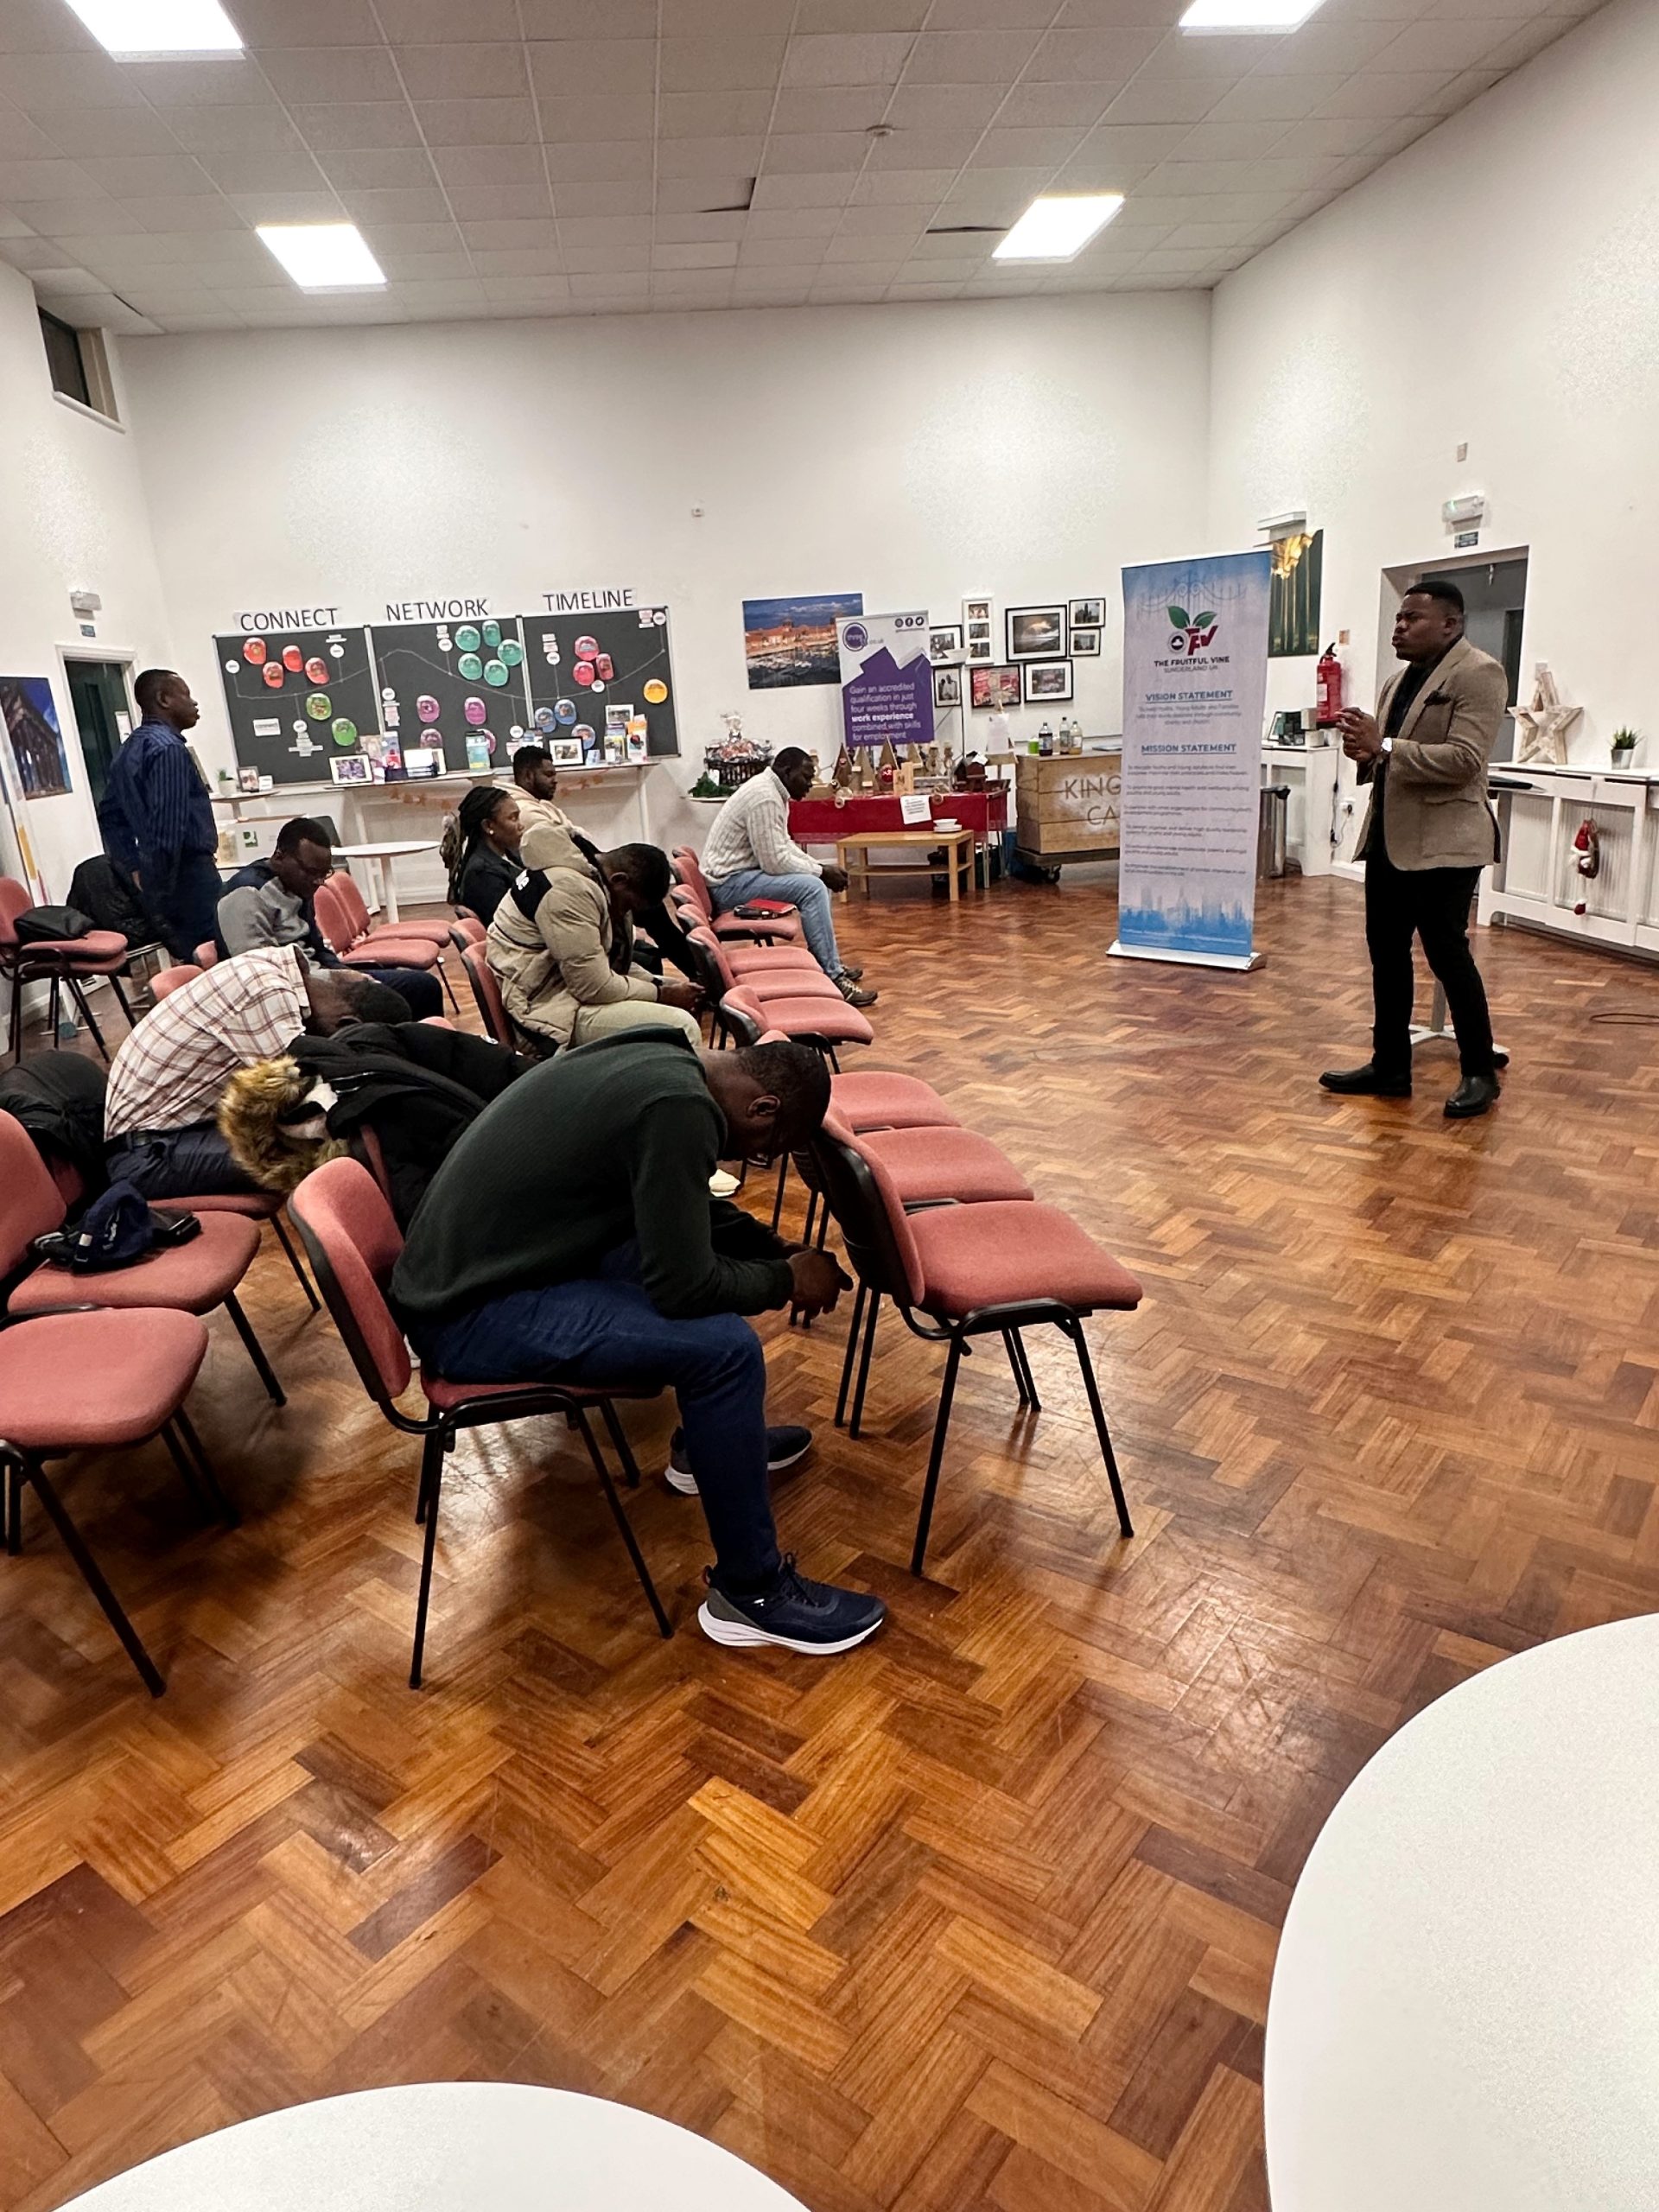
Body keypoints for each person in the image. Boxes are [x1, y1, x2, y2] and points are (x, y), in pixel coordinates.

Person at [391, 1027, 886, 1655]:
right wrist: (787, 1279)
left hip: (495, 1270)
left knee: (710, 1307)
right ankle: (752, 1593)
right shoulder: (679, 1108)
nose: (753, 1160)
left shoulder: (666, 1060)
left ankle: (711, 1449)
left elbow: (682, 1207)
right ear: (762, 1108)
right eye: (767, 1149)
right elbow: (684, 1286)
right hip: (470, 1314)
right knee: (726, 1352)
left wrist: (776, 1251)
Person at [1320, 578, 1508, 1121]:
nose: (1399, 628)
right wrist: (1364, 751)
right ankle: (1390, 1067)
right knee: (1386, 954)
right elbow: (1386, 758)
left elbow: (1465, 761)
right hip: (1389, 838)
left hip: (1447, 842)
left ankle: (1478, 1071)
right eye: (1399, 618)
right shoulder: (1395, 681)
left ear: (1450, 624)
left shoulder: (1479, 673)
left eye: (1412, 619)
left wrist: (1381, 744)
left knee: (1448, 956)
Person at [104, 946, 410, 1198]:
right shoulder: (265, 991)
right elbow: (302, 1093)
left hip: (180, 1132)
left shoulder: (275, 968)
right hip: (148, 1155)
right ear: (347, 1025)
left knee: (353, 1133)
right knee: (346, 1153)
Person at [486, 823, 703, 1052]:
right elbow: (592, 987)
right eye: (629, 905)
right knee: (680, 1027)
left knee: (670, 989)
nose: (626, 913)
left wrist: (662, 986)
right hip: (543, 1009)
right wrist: (662, 994)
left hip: (561, 989)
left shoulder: (590, 873)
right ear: (619, 880)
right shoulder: (569, 891)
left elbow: (606, 963)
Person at [506, 744, 699, 984]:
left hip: (588, 873)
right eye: (548, 774)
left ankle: (698, 974)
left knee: (652, 908)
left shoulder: (541, 805)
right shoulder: (525, 811)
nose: (555, 780)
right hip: (579, 887)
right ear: (527, 776)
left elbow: (577, 838)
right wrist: (659, 991)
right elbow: (568, 846)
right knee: (650, 908)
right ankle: (700, 974)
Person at [216, 816, 442, 1019]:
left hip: (321, 977)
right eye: (311, 872)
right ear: (279, 856)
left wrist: (346, 974)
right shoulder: (246, 894)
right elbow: (260, 975)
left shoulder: (299, 885)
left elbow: (317, 947)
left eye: (324, 873)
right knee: (401, 997)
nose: (318, 882)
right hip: (296, 994)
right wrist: (338, 985)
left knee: (422, 986)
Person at [701, 747, 874, 1005]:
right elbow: (774, 862)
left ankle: (829, 964)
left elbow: (783, 846)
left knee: (816, 883)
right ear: (786, 771)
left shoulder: (773, 791)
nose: (810, 785)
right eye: (806, 777)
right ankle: (833, 976)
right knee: (812, 888)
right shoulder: (764, 797)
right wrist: (821, 871)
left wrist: (818, 867)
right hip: (727, 885)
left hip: (739, 877)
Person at [99, 668, 222, 962]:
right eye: (186, 695)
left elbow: (109, 816)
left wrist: (135, 868)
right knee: (215, 957)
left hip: (158, 875)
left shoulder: (127, 750)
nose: (194, 703)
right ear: (164, 699)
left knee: (191, 960)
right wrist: (161, 885)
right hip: (186, 875)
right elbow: (168, 828)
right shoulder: (168, 750)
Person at [446, 786, 523, 925]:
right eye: (513, 818)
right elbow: (507, 924)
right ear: (488, 826)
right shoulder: (483, 874)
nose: (521, 826)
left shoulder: (511, 855)